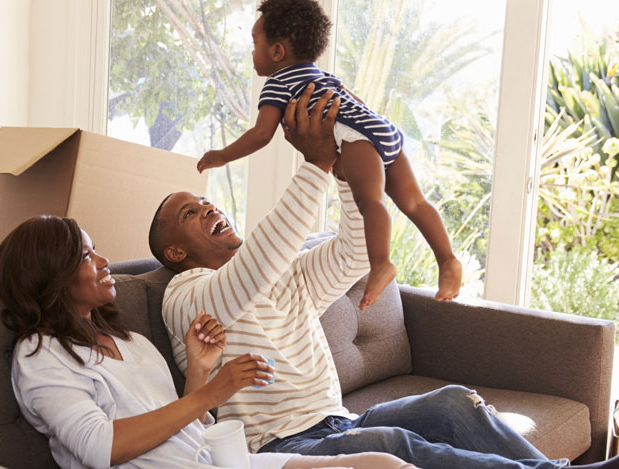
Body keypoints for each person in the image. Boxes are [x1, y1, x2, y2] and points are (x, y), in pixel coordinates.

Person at [153, 70, 619, 469]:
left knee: (453, 401)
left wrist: (346, 166)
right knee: (396, 446)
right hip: (282, 447)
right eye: (190, 213)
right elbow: (250, 274)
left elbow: (354, 254)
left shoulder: (285, 272)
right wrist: (314, 164)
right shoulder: (185, 297)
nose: (209, 208)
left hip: (339, 420)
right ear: (176, 251)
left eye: (207, 201)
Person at [0, 214, 619, 469]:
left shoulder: (129, 343)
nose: (101, 261)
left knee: (377, 456)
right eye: (84, 254)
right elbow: (104, 448)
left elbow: (184, 427)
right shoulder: (42, 355)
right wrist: (206, 391)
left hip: (204, 468)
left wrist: (196, 379)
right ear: (50, 273)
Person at [196, 0, 461, 308]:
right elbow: (354, 100)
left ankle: (381, 263)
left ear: (277, 52)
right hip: (379, 126)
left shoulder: (277, 84)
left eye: (255, 43)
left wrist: (223, 155)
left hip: (354, 136)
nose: (253, 52)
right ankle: (447, 260)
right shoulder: (319, 75)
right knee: (415, 202)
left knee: (370, 200)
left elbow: (261, 134)